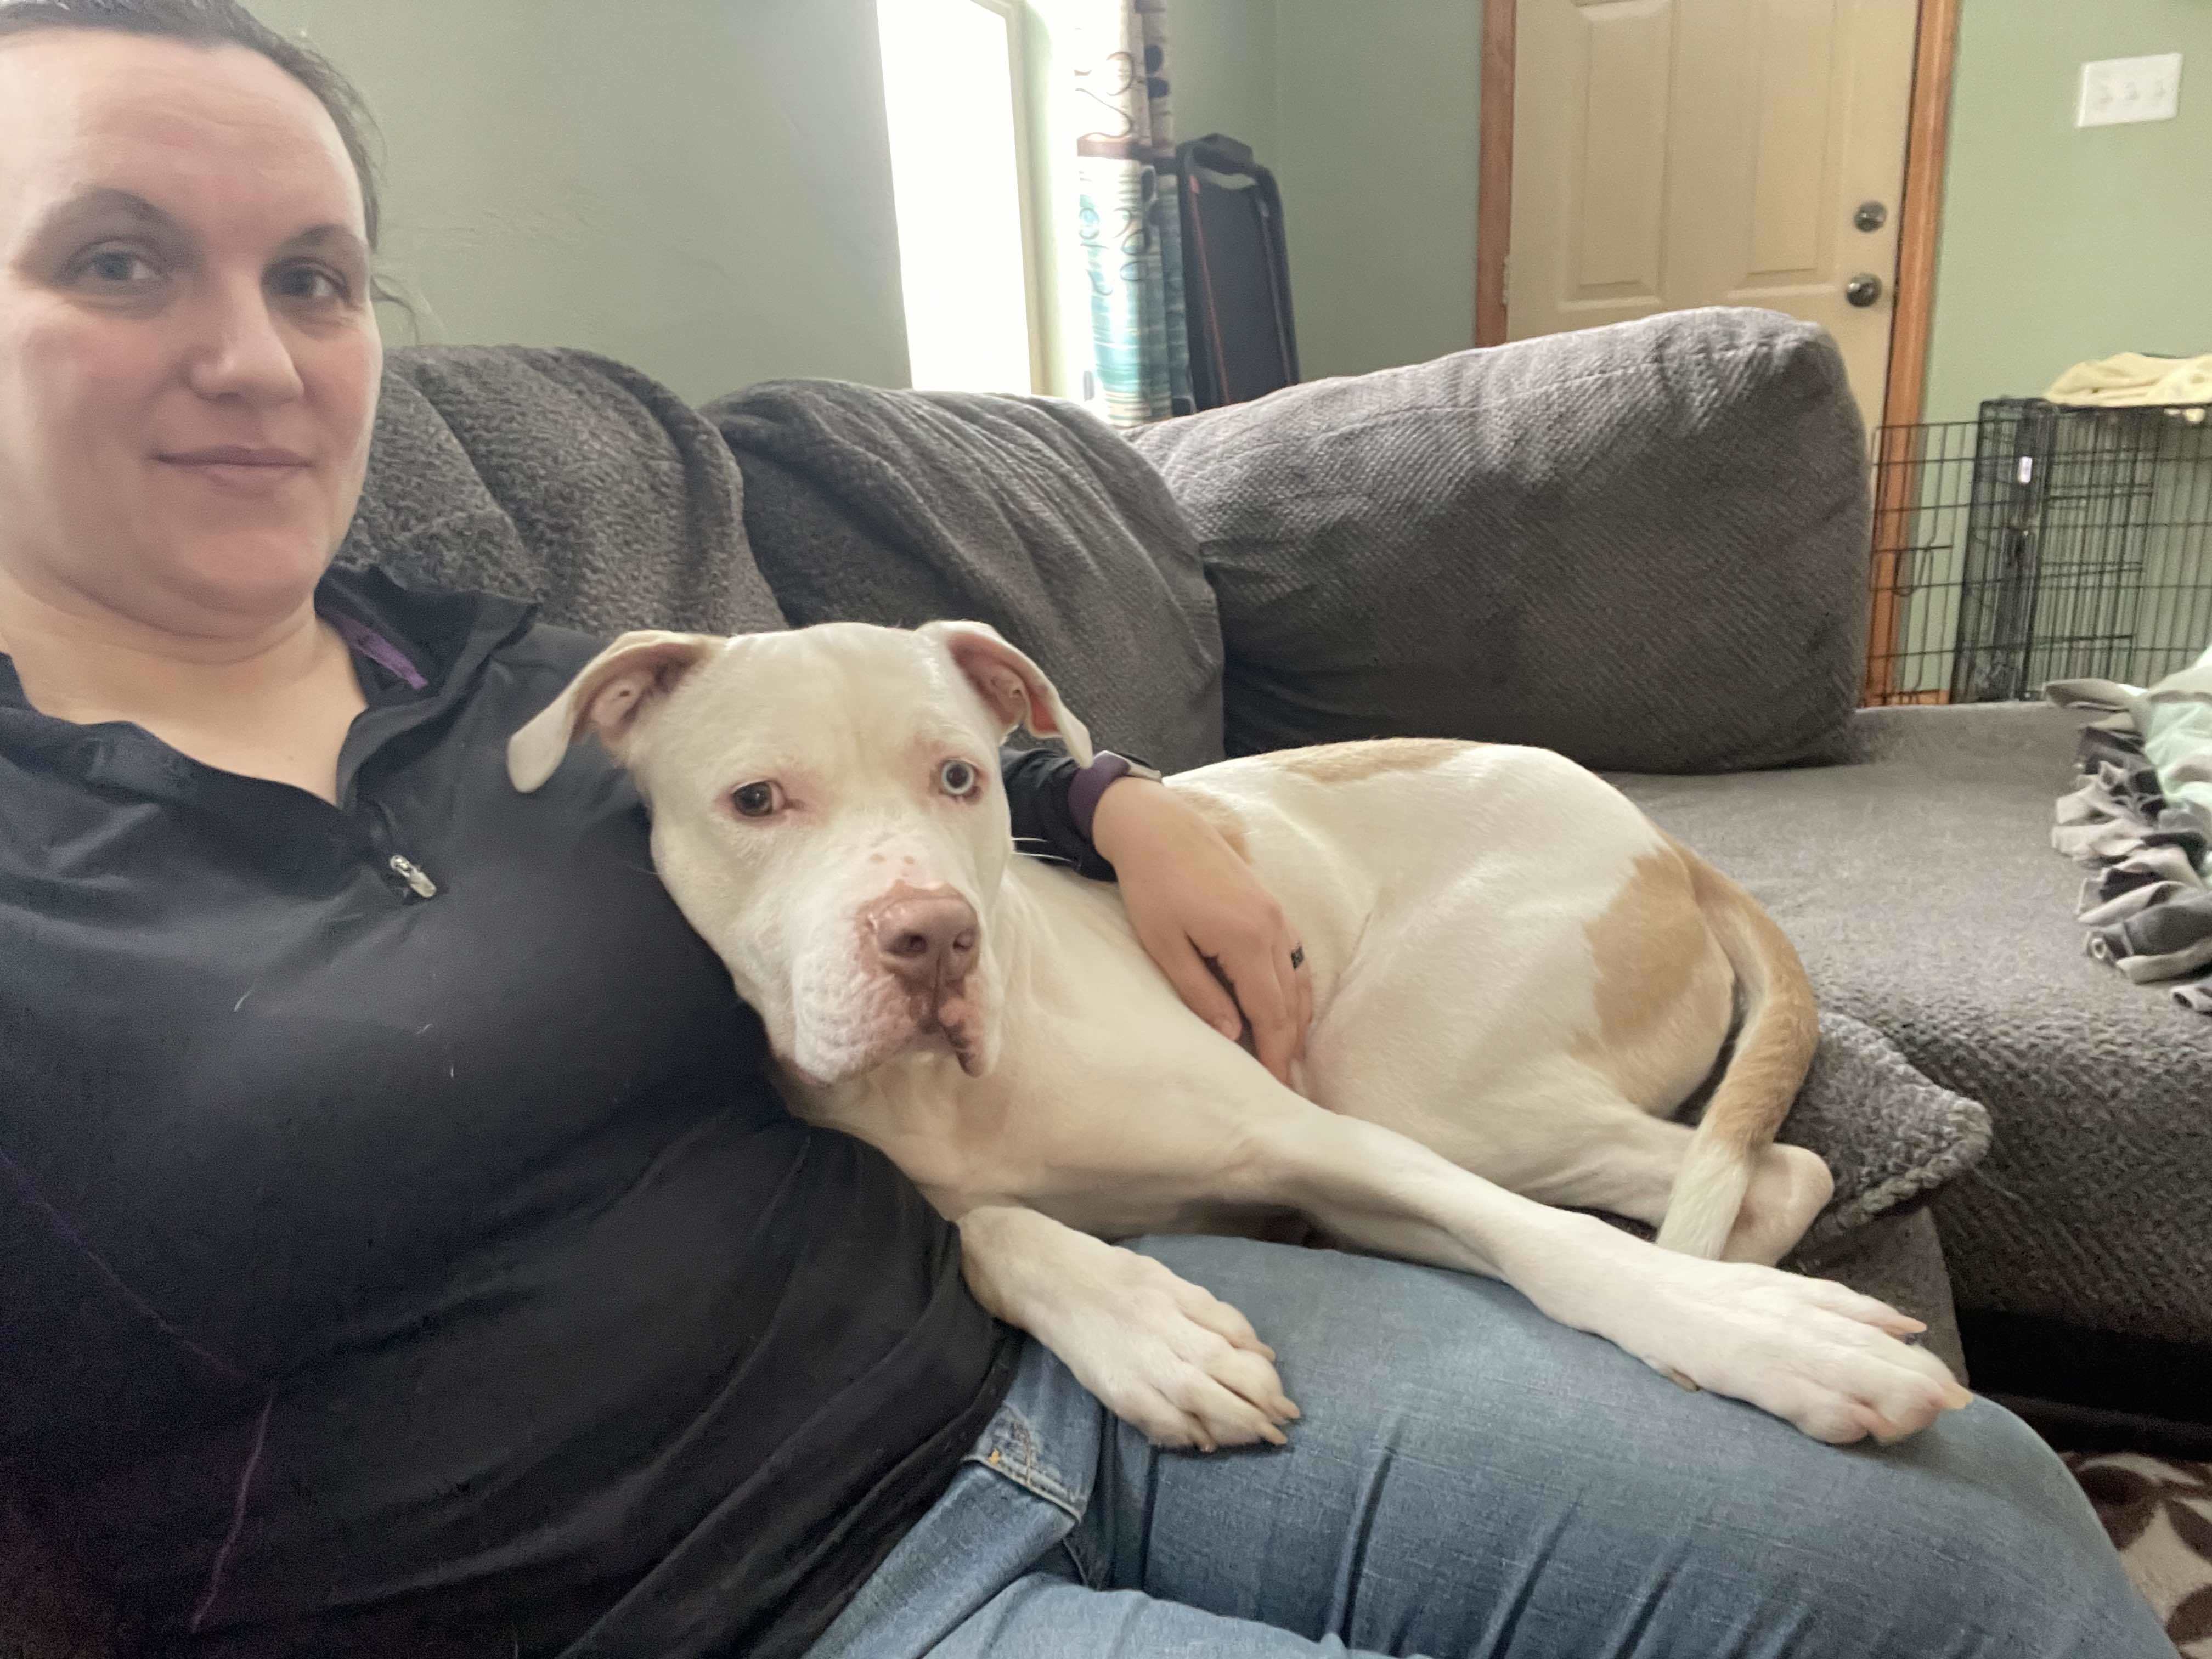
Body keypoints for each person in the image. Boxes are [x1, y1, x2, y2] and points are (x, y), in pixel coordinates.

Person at [0, 3, 2170, 1656]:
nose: (256, 358)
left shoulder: (501, 671)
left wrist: (1113, 794)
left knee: (1978, 1531)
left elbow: (856, 741)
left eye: (315, 277)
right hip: (731, 1594)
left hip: (1074, 1327)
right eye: (115, 260)